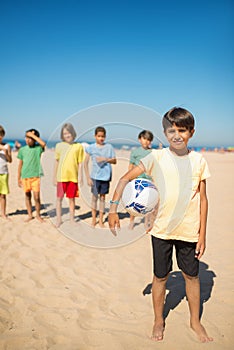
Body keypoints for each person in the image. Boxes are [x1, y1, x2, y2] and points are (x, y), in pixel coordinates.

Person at [108, 107, 213, 343]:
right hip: (162, 230)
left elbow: (203, 199)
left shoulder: (199, 161)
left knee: (192, 277)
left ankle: (195, 321)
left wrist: (202, 234)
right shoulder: (155, 157)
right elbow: (126, 178)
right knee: (160, 277)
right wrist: (113, 208)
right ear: (165, 133)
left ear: (191, 132)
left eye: (182, 130)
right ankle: (158, 319)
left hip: (189, 230)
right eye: (171, 130)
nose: (177, 135)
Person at [84, 126, 116, 228]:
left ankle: (101, 220)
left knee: (102, 199)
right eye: (99, 136)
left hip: (106, 177)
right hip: (95, 177)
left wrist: (105, 159)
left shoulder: (109, 147)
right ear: (95, 136)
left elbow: (115, 161)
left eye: (102, 136)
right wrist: (88, 177)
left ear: (105, 137)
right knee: (94, 199)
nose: (101, 138)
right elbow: (85, 163)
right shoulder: (91, 148)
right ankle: (94, 219)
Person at [54, 123, 84, 227]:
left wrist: (80, 176)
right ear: (62, 135)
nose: (67, 135)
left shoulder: (78, 147)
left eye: (69, 133)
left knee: (72, 199)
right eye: (65, 133)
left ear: (73, 133)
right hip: (61, 177)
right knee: (59, 199)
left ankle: (72, 219)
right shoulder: (59, 146)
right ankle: (59, 219)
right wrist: (54, 177)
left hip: (73, 178)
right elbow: (57, 162)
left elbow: (80, 163)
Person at [17, 129, 46, 222]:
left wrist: (32, 135)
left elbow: (43, 144)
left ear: (35, 139)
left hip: (35, 176)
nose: (28, 140)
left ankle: (38, 215)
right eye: (26, 137)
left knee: (37, 197)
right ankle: (30, 215)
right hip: (25, 176)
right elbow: (20, 164)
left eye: (30, 138)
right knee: (27, 196)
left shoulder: (38, 148)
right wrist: (18, 178)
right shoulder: (22, 150)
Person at [128, 130, 154, 229]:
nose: (146, 141)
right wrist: (130, 179)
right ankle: (131, 221)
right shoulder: (135, 152)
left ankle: (146, 222)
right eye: (144, 139)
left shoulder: (152, 152)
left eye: (148, 140)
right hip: (137, 180)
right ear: (140, 139)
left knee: (148, 203)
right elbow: (131, 166)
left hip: (148, 181)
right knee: (134, 202)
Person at [0, 125, 12, 219]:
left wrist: (5, 151)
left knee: (3, 195)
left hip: (4, 172)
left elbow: (10, 160)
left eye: (1, 134)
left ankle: (3, 214)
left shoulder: (7, 146)